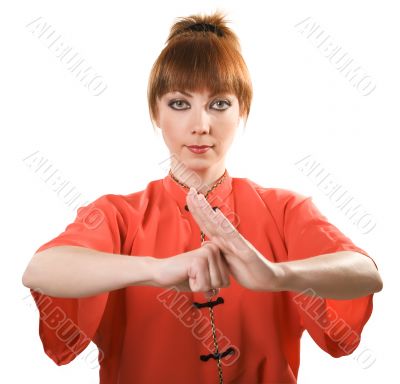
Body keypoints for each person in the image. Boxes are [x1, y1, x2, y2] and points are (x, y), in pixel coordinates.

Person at [22, 11, 383, 384]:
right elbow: (40, 269)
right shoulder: (118, 215)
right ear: (155, 113)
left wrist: (277, 275)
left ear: (242, 110)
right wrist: (156, 270)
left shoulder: (284, 209)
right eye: (179, 103)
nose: (200, 125)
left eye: (219, 104)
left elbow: (366, 273)